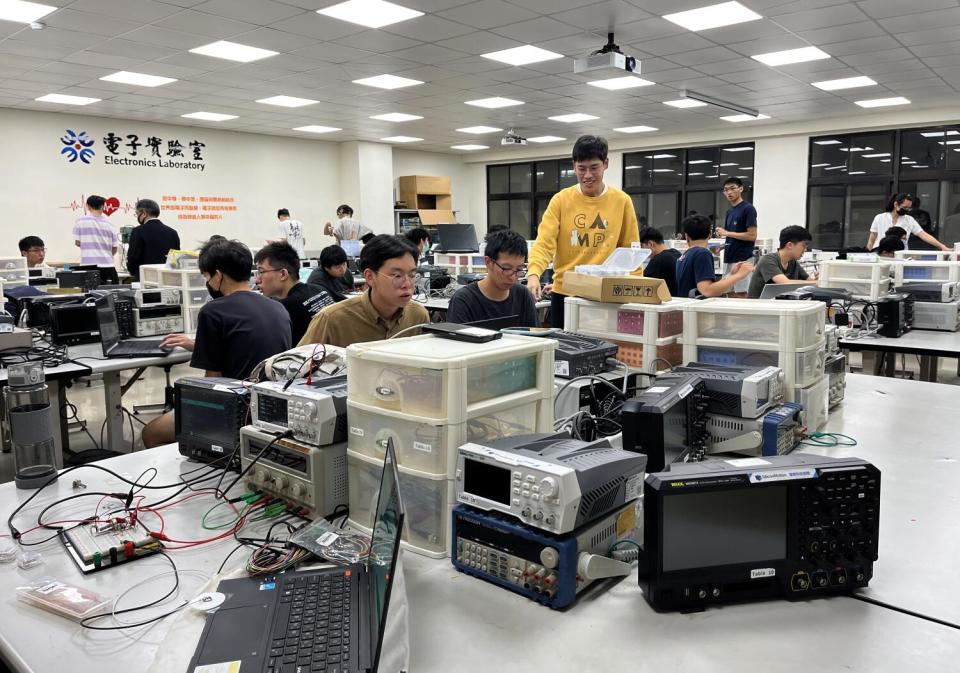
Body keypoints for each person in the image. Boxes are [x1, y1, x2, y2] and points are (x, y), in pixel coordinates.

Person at [142, 239, 291, 448]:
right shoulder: (278, 307)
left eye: (207, 277)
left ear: (218, 275)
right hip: (274, 408)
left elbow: (213, 384)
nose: (208, 283)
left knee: (151, 433)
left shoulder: (213, 311)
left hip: (237, 408)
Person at [526, 135, 639, 329]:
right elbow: (545, 242)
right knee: (565, 351)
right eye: (581, 168)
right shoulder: (561, 200)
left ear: (605, 164)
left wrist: (635, 287)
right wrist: (534, 274)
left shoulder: (621, 201)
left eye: (594, 168)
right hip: (566, 292)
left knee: (605, 349)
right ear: (574, 166)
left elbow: (630, 250)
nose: (587, 175)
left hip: (604, 293)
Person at [298, 234, 429, 347]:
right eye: (397, 276)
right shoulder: (332, 319)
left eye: (412, 275)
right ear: (370, 277)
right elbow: (295, 368)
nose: (407, 284)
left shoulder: (418, 316)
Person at [448, 229, 539, 327]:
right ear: (488, 262)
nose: (513, 276)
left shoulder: (523, 295)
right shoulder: (463, 300)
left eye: (519, 269)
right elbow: (457, 341)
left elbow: (538, 338)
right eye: (506, 268)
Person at [254, 241, 334, 344]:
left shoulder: (282, 309)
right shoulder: (319, 289)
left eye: (261, 272)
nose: (257, 281)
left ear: (283, 274)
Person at [676, 214, 754, 298]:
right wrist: (739, 275)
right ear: (710, 234)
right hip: (695, 308)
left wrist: (731, 275)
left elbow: (709, 286)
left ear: (686, 236)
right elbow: (707, 291)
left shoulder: (685, 256)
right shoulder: (702, 254)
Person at [715, 177, 757, 295]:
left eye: (732, 188)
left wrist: (726, 233)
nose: (729, 192)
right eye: (726, 190)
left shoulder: (748, 209)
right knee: (728, 292)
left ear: (741, 189)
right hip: (729, 258)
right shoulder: (730, 212)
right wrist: (723, 246)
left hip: (743, 259)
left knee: (741, 293)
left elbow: (752, 236)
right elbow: (734, 236)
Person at [866, 193, 949, 251]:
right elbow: (871, 239)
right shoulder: (879, 218)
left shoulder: (909, 220)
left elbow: (924, 235)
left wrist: (942, 246)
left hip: (900, 254)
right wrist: (868, 254)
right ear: (896, 204)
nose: (907, 210)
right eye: (905, 207)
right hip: (880, 253)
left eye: (909, 208)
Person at [747, 226, 813, 298]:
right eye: (803, 246)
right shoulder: (768, 260)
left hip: (779, 305)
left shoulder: (793, 262)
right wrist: (815, 282)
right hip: (759, 306)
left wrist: (818, 279)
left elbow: (809, 281)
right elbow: (785, 283)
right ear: (790, 245)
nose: (805, 249)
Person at [127, 198, 180, 279]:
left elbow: (133, 257)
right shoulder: (173, 232)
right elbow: (175, 257)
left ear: (144, 213)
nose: (137, 217)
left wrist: (133, 271)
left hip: (145, 277)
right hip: (167, 278)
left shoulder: (138, 231)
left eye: (137, 214)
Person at [72, 195, 117, 265]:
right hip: (108, 266)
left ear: (88, 206)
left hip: (88, 265)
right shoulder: (110, 224)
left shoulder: (80, 221)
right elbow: (114, 248)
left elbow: (77, 243)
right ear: (103, 207)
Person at [638, 227, 681, 296]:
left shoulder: (658, 260)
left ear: (650, 244)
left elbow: (642, 284)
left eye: (641, 246)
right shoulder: (676, 253)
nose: (641, 250)